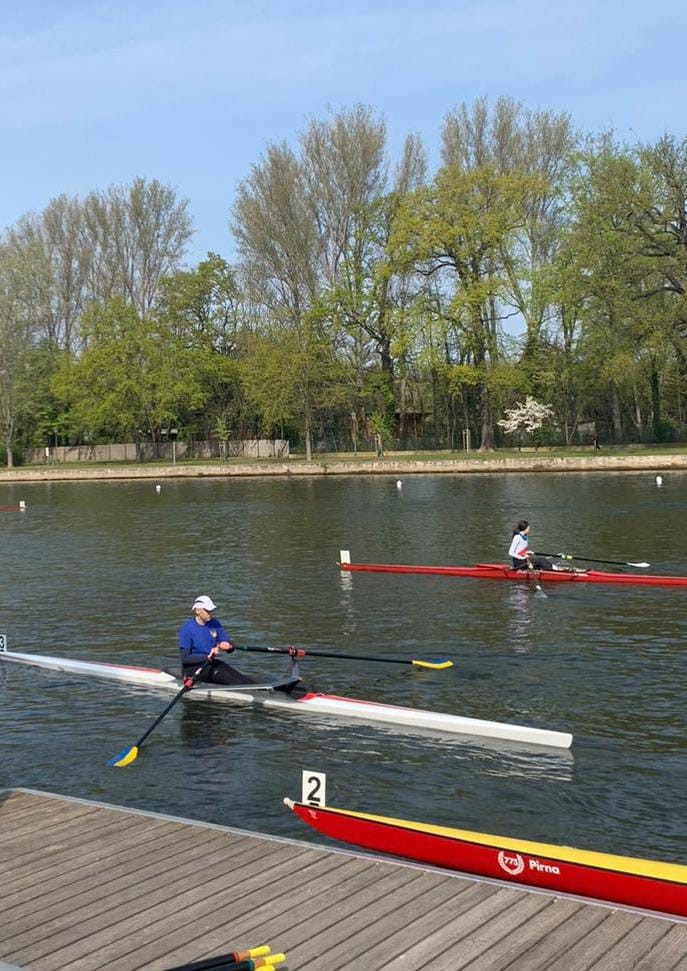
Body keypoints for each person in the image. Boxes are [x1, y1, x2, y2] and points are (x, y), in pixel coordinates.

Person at [178, 595, 257, 686]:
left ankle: (261, 689)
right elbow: (185, 659)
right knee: (225, 676)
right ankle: (254, 691)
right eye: (207, 611)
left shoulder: (214, 623)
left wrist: (228, 646)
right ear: (197, 611)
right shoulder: (187, 629)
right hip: (192, 668)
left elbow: (228, 645)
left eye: (211, 611)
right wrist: (207, 657)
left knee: (237, 675)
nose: (210, 613)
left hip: (210, 663)